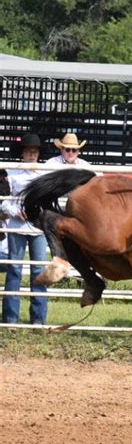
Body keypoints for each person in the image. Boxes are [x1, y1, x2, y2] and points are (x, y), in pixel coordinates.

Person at [1, 133, 48, 325]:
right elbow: (3, 200)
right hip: (17, 225)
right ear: (23, 153)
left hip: (37, 227)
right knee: (15, 269)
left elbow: (49, 200)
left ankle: (38, 319)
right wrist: (14, 211)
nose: (31, 155)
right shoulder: (11, 173)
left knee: (38, 269)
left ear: (38, 153)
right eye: (28, 152)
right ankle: (11, 318)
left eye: (34, 152)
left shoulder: (46, 172)